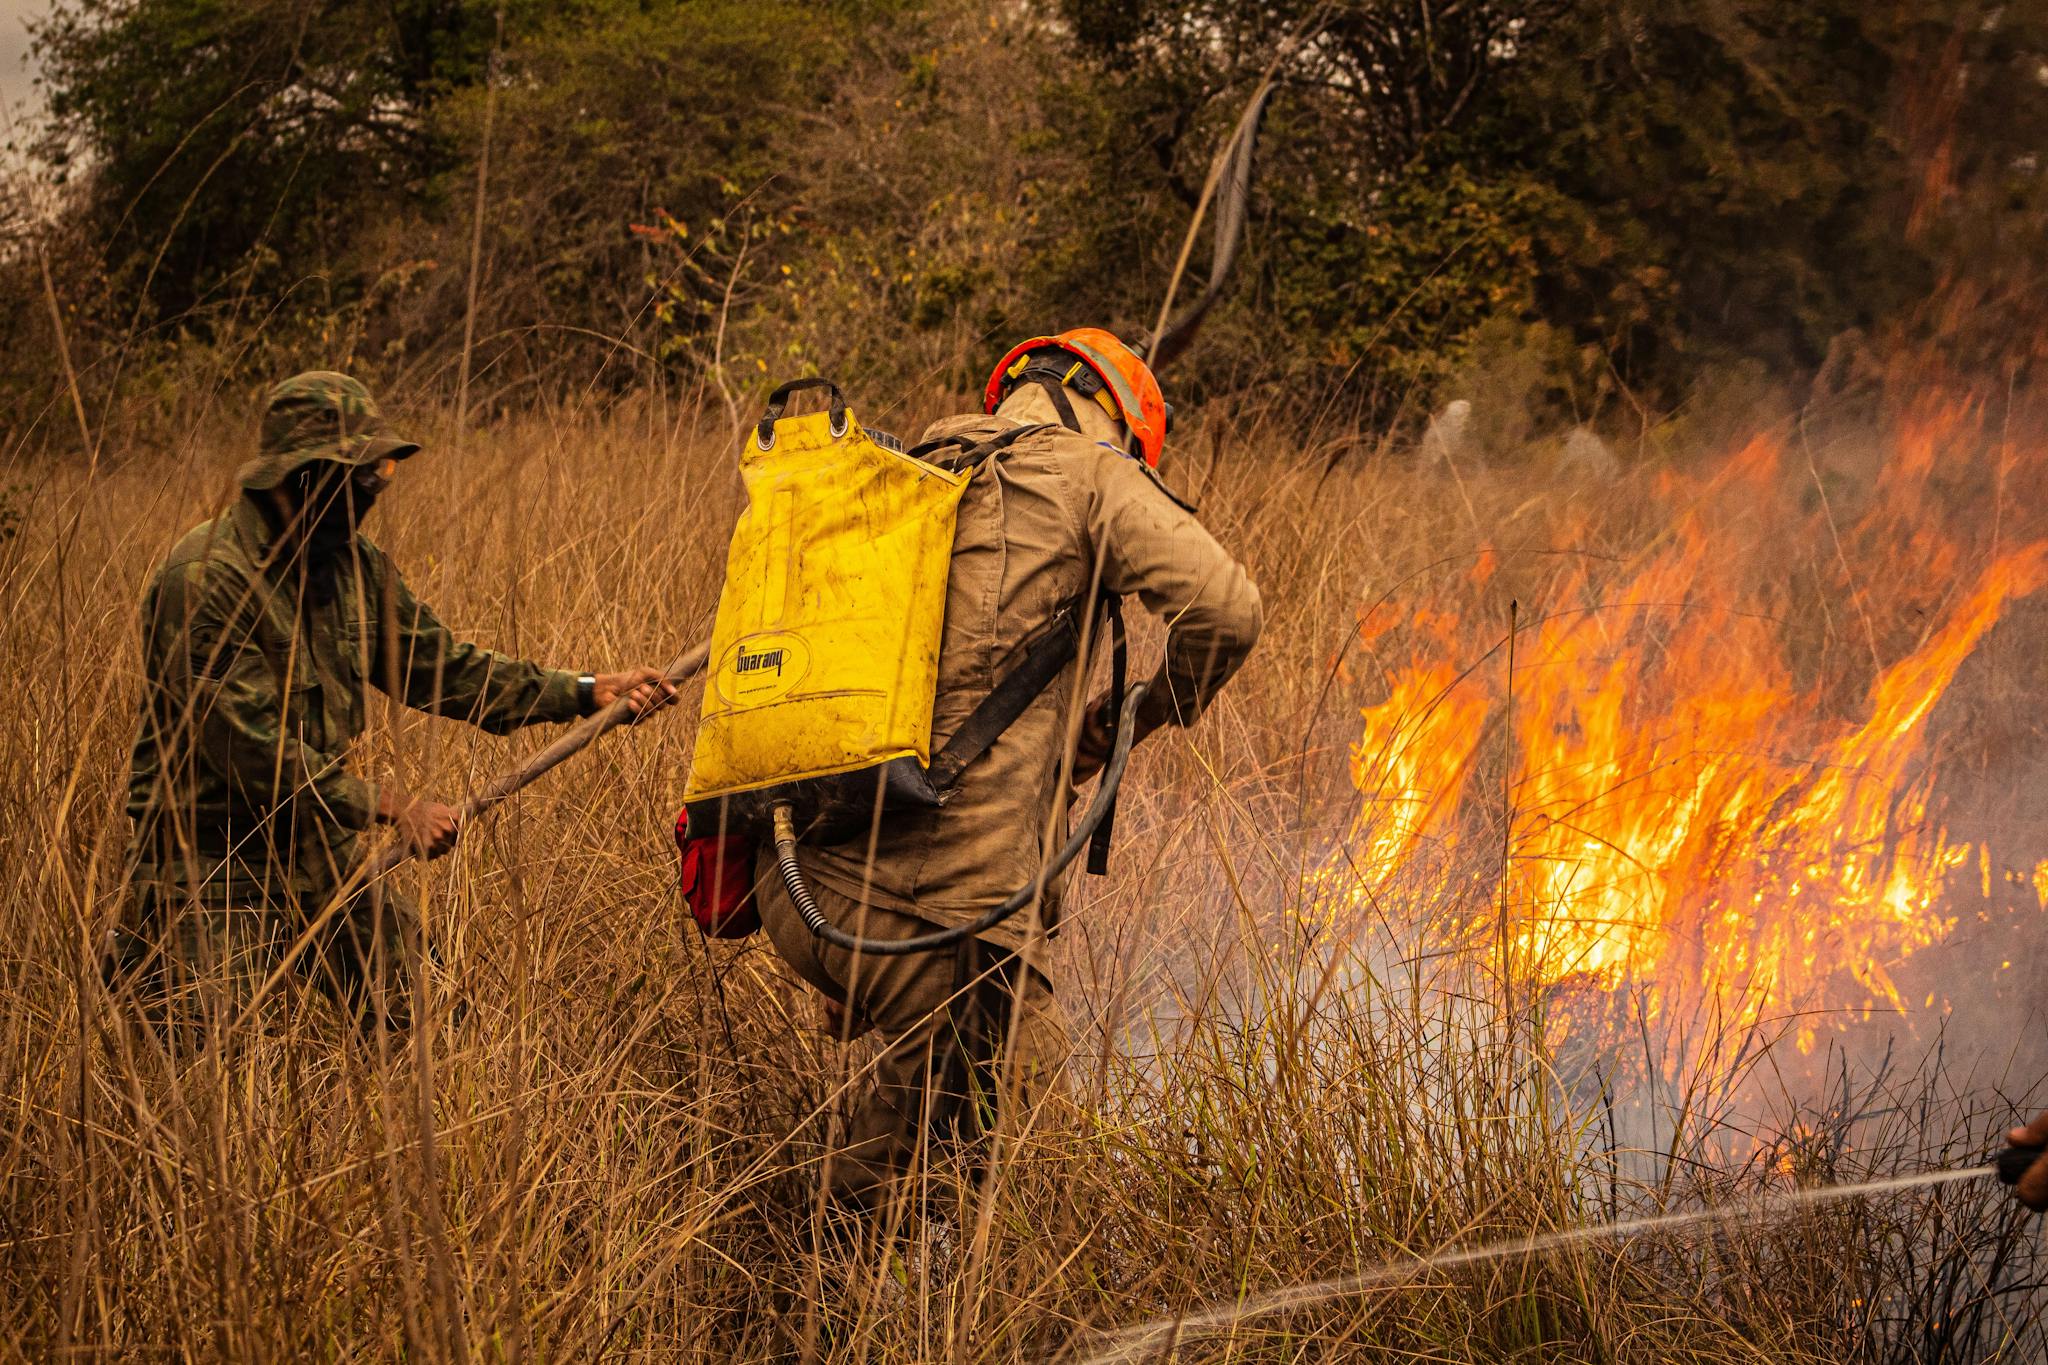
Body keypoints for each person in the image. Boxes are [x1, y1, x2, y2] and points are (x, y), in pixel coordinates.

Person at [751, 328, 1262, 1210]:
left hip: (796, 884)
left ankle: (844, 1287)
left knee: (930, 1101)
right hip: (951, 913)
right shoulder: (1094, 473)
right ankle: (854, 1290)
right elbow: (1226, 609)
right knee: (1037, 1165)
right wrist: (1144, 711)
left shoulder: (911, 463)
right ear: (1120, 426)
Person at [109, 371, 676, 1036]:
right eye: (363, 474)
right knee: (216, 1063)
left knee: (429, 1019)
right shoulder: (205, 579)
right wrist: (390, 805)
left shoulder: (355, 567)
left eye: (380, 472)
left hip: (314, 844)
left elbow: (444, 669)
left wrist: (584, 692)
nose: (377, 489)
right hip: (206, 859)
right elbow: (251, 750)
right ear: (305, 479)